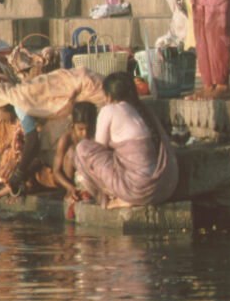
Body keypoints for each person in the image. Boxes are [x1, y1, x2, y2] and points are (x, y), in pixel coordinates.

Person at [74, 72, 179, 208]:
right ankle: (126, 196)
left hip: (137, 190)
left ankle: (117, 197)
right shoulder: (143, 110)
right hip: (161, 188)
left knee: (83, 148)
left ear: (109, 96)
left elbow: (98, 149)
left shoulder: (109, 110)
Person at [52, 101, 98, 201]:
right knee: (72, 151)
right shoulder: (66, 139)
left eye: (88, 129)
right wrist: (70, 187)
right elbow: (56, 171)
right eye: (80, 129)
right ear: (73, 124)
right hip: (70, 181)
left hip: (89, 178)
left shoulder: (95, 136)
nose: (85, 134)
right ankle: (71, 194)